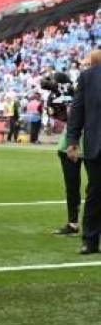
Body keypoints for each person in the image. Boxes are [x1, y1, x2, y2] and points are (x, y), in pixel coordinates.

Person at [67, 50, 101, 254]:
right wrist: (72, 140)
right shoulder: (89, 77)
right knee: (96, 193)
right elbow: (77, 110)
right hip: (96, 145)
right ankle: (90, 240)